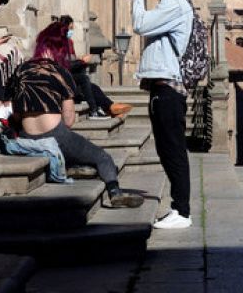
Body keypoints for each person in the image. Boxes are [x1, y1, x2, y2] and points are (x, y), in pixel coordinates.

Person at [8, 21, 143, 208]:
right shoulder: (60, 72)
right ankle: (115, 192)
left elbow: (15, 113)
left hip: (26, 135)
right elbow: (69, 119)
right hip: (55, 134)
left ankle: (71, 166)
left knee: (72, 151)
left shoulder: (21, 70)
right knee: (102, 157)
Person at [132, 0, 193, 229]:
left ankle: (182, 211)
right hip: (160, 87)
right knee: (165, 149)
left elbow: (140, 24)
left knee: (174, 150)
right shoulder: (169, 4)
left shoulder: (175, 5)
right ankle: (178, 208)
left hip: (169, 88)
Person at [58, 15, 132, 120]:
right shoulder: (58, 44)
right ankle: (95, 110)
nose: (72, 31)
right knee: (84, 80)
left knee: (93, 87)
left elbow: (71, 64)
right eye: (70, 28)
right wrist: (82, 61)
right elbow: (64, 65)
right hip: (64, 83)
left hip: (71, 80)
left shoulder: (69, 43)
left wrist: (81, 61)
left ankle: (110, 107)